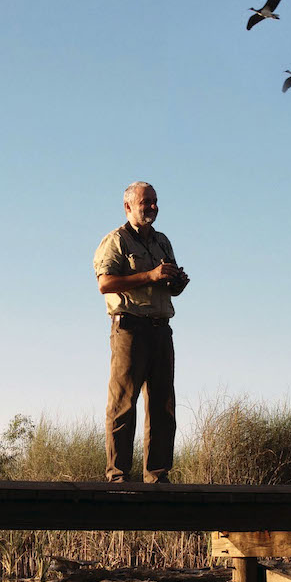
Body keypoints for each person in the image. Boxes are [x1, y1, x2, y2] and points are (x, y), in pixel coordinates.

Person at [93, 181, 188, 482]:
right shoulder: (116, 240)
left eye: (155, 201)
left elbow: (167, 286)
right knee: (123, 403)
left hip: (161, 329)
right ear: (128, 206)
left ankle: (158, 475)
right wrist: (150, 275)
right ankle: (118, 475)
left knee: (163, 405)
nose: (152, 207)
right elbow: (105, 283)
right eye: (146, 202)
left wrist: (176, 282)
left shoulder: (162, 242)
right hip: (130, 329)